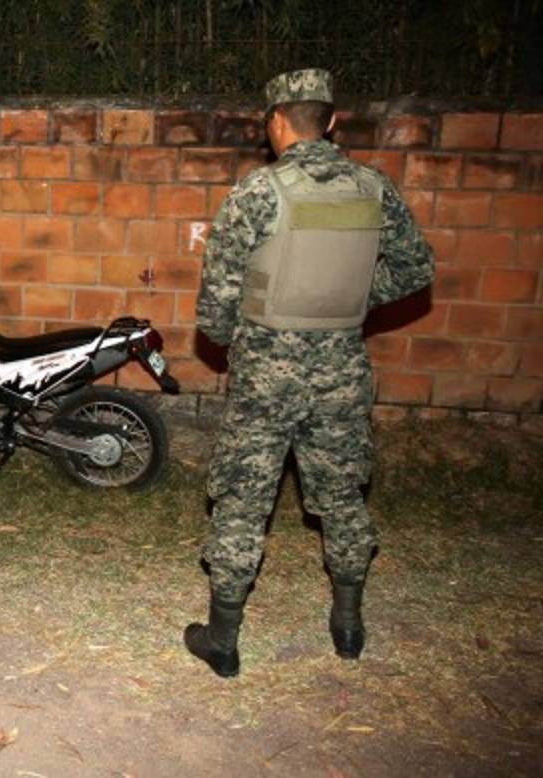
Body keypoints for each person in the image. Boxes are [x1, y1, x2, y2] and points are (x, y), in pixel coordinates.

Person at [185, 69, 435, 677]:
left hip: (266, 370)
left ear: (276, 122)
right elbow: (416, 269)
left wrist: (246, 334)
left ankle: (223, 640)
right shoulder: (374, 188)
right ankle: (348, 627)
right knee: (342, 494)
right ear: (331, 121)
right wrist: (348, 299)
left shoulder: (258, 192)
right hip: (341, 366)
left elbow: (215, 307)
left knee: (244, 497)